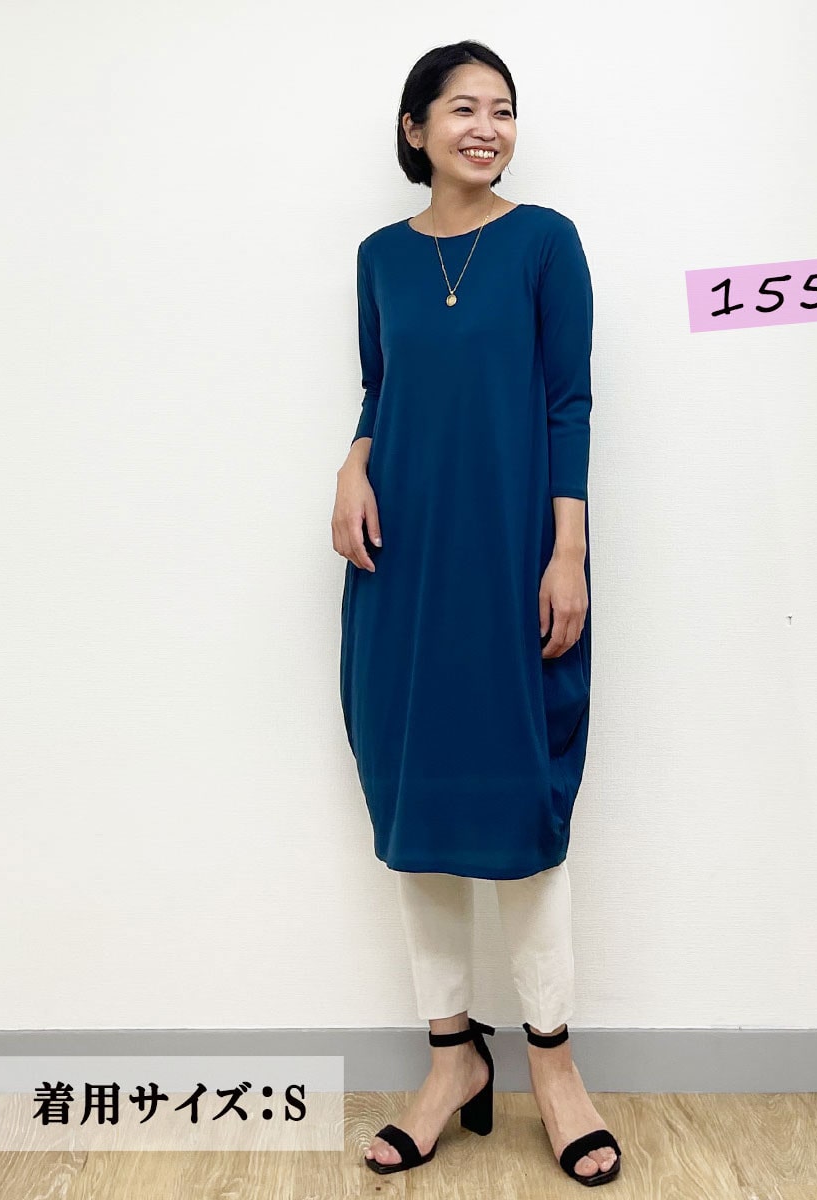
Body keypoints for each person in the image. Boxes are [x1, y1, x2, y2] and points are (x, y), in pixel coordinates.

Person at [332, 40, 622, 1186]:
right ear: (415, 129)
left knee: (522, 805)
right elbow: (382, 387)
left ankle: (554, 1066)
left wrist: (568, 552)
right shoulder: (379, 257)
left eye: (502, 109)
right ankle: (452, 1058)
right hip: (401, 559)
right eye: (462, 108)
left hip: (512, 556)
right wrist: (353, 464)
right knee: (417, 808)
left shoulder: (544, 242)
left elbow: (568, 401)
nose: (486, 127)